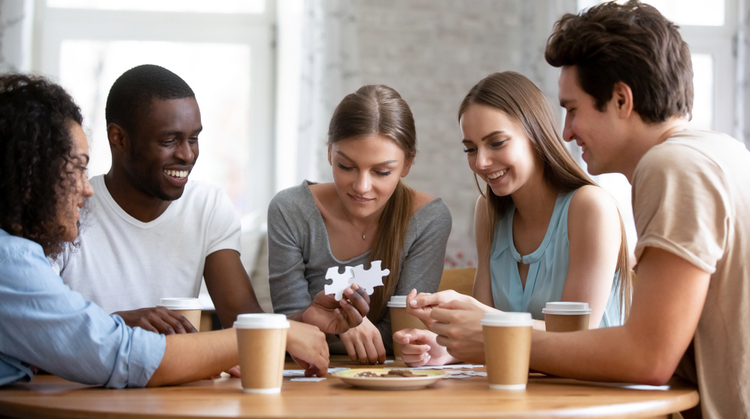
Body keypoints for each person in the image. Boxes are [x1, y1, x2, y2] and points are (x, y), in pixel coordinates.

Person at [424, 1, 748, 418]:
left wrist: (495, 336)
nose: (565, 131)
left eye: (573, 109)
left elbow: (648, 358)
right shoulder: (723, 151)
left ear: (620, 99)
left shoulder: (672, 167)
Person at [0, 73, 331, 387]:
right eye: (75, 169)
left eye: (194, 138)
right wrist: (272, 332)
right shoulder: (12, 259)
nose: (85, 189)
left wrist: (291, 327)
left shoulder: (207, 204)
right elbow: (118, 354)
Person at [396, 71, 630, 367]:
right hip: (524, 393)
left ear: (536, 134)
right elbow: (484, 338)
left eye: (496, 143)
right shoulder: (489, 212)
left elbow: (577, 336)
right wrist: (445, 348)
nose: (480, 162)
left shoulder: (590, 207)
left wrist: (480, 318)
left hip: (595, 395)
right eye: (470, 149)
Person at [268, 84, 452, 364]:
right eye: (346, 166)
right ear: (330, 153)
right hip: (307, 374)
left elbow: (404, 335)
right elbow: (288, 327)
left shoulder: (427, 219)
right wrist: (341, 328)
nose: (362, 186)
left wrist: (333, 326)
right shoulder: (290, 210)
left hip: (390, 379)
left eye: (382, 171)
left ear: (407, 164)